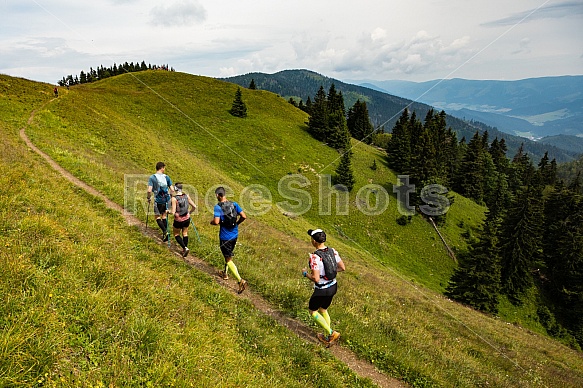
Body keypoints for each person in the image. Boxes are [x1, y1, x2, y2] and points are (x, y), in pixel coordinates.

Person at [302, 228, 345, 347]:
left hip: (321, 290)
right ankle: (328, 337)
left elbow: (315, 278)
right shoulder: (333, 251)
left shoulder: (315, 257)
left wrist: (306, 274)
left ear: (314, 241)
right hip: (333, 286)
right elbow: (342, 268)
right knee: (323, 310)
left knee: (313, 311)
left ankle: (332, 332)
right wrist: (328, 273)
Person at [210, 186, 247, 294]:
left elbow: (216, 222)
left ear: (218, 195)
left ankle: (240, 280)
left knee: (228, 259)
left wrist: (211, 222)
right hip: (235, 234)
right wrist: (237, 224)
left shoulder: (218, 207)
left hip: (225, 236)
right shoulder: (234, 204)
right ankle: (225, 274)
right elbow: (244, 216)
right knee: (228, 255)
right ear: (224, 194)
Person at [147, 162, 174, 241]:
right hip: (166, 200)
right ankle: (166, 234)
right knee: (164, 216)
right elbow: (172, 189)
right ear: (161, 168)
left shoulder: (152, 177)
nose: (164, 169)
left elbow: (149, 190)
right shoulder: (167, 177)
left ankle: (165, 232)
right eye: (164, 168)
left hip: (158, 200)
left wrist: (148, 198)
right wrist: (170, 196)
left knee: (157, 217)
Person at [170, 183, 197, 257]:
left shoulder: (174, 198)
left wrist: (167, 211)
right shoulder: (186, 196)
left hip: (178, 220)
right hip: (187, 218)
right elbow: (194, 206)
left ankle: (184, 248)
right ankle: (185, 249)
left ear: (175, 189)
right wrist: (190, 212)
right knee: (185, 233)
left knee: (176, 234)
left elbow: (173, 212)